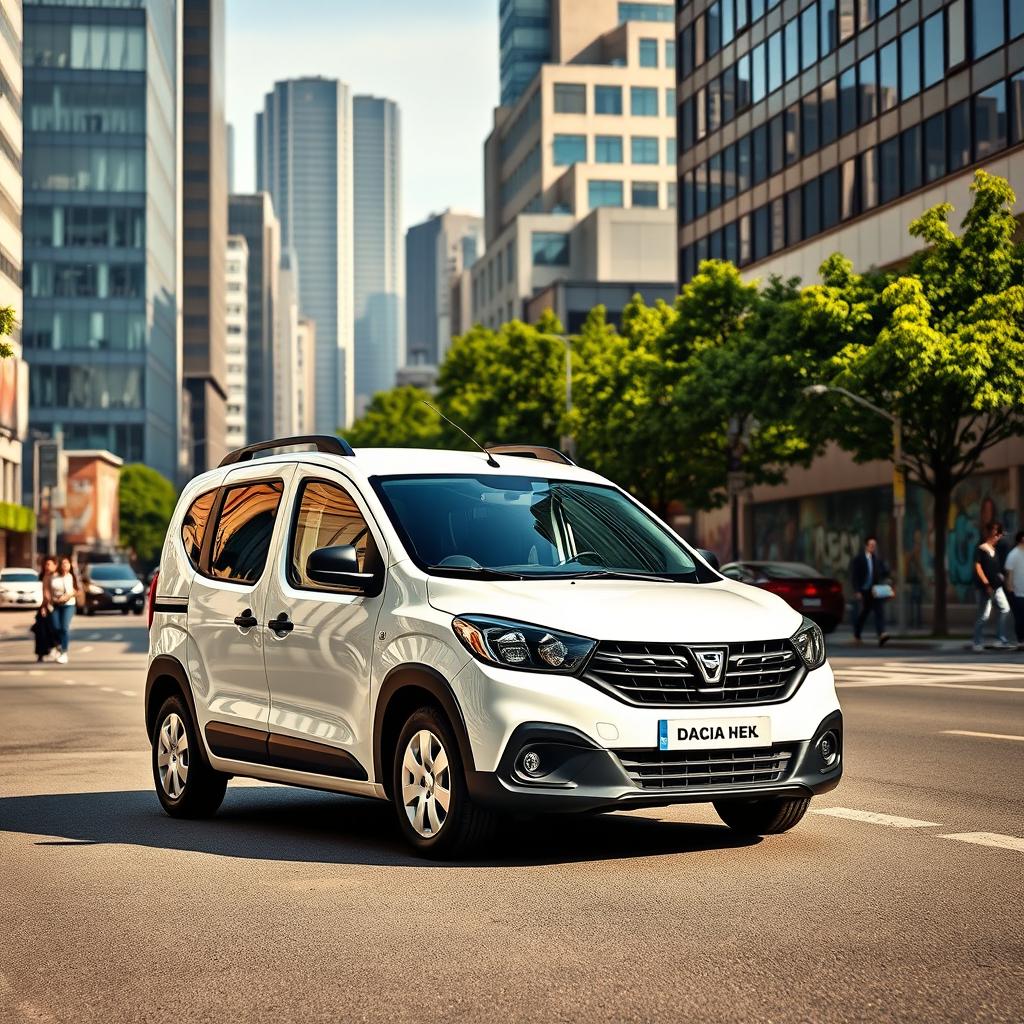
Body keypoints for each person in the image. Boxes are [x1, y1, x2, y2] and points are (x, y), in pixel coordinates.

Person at [971, 521, 1013, 652]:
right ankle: (977, 643)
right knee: (983, 615)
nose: (999, 537)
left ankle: (1001, 640)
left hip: (997, 587)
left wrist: (1001, 577)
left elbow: (995, 569)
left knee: (1005, 609)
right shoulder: (982, 548)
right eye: (998, 534)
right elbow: (978, 568)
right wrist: (986, 584)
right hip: (986, 588)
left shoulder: (995, 551)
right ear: (992, 534)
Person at [850, 535, 891, 647]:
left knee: (879, 611)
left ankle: (881, 634)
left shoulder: (877, 559)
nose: (873, 547)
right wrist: (857, 591)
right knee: (864, 613)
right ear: (866, 546)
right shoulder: (859, 559)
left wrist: (888, 574)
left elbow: (883, 571)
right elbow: (855, 576)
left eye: (874, 545)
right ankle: (857, 634)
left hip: (874, 590)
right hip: (864, 590)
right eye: (871, 545)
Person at [45, 555, 78, 664]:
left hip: (68, 604)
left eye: (67, 564)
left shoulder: (71, 576)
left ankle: (64, 652)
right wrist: (47, 604)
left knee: (64, 628)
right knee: (55, 627)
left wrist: (67, 596)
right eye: (63, 563)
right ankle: (58, 646)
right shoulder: (54, 576)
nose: (65, 566)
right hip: (55, 605)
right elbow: (48, 589)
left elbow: (76, 591)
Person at [31, 555, 58, 663]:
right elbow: (45, 594)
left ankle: (57, 647)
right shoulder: (44, 576)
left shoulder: (58, 576)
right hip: (45, 607)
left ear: (55, 565)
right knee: (40, 631)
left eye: (49, 564)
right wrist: (43, 607)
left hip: (56, 606)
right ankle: (40, 654)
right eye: (45, 564)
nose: (46, 566)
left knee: (55, 629)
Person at [1001, 529, 1024, 650]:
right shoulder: (1013, 554)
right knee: (1020, 618)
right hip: (1018, 592)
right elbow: (1009, 573)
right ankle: (1020, 641)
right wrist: (1009, 588)